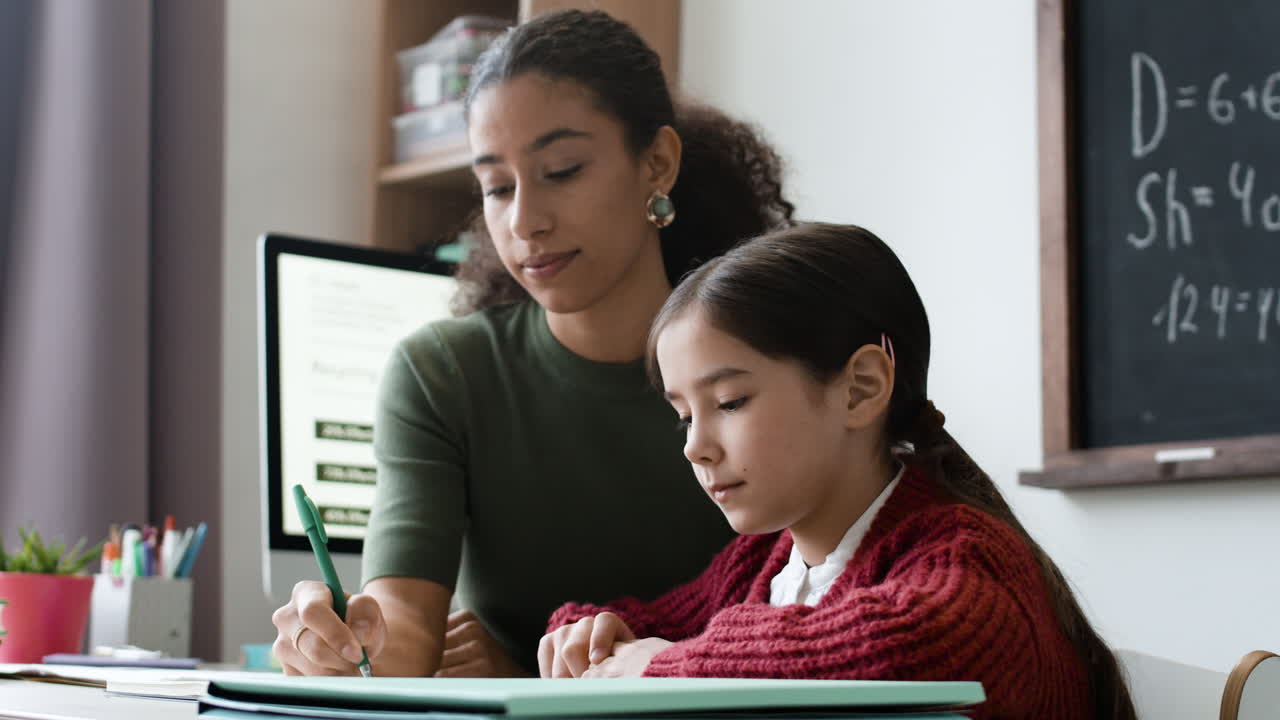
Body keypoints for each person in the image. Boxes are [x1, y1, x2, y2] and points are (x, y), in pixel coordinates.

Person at [269, 8, 795, 678]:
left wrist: (528, 667)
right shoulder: (443, 375)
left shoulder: (777, 360)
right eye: (496, 186)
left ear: (657, 163)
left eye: (563, 170)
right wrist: (346, 643)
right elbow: (404, 631)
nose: (523, 221)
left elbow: (829, 603)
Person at [538, 224, 1137, 720]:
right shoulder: (764, 562)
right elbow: (645, 627)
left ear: (861, 388)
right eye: (684, 417)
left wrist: (664, 665)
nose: (696, 447)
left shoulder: (969, 557)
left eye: (730, 402)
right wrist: (589, 636)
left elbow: (904, 653)